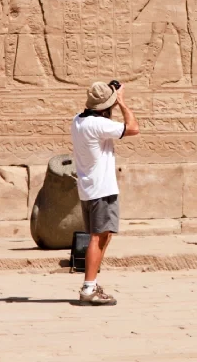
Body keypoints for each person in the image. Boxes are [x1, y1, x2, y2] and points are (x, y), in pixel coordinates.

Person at [71, 81, 139, 305]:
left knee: (103, 236)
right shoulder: (99, 125)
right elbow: (133, 128)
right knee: (98, 238)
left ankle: (92, 283)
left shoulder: (78, 121)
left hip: (89, 188)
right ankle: (88, 288)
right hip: (102, 189)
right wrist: (121, 103)